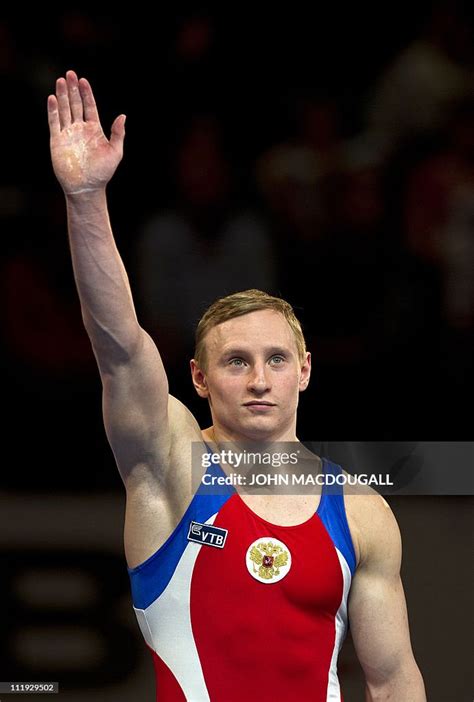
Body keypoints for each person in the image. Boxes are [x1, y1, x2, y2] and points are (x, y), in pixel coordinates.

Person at [47, 70, 426, 702]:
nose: (259, 380)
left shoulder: (362, 513)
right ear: (197, 377)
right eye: (235, 362)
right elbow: (117, 345)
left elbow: (392, 682)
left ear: (305, 370)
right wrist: (86, 198)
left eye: (277, 359)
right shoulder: (169, 467)